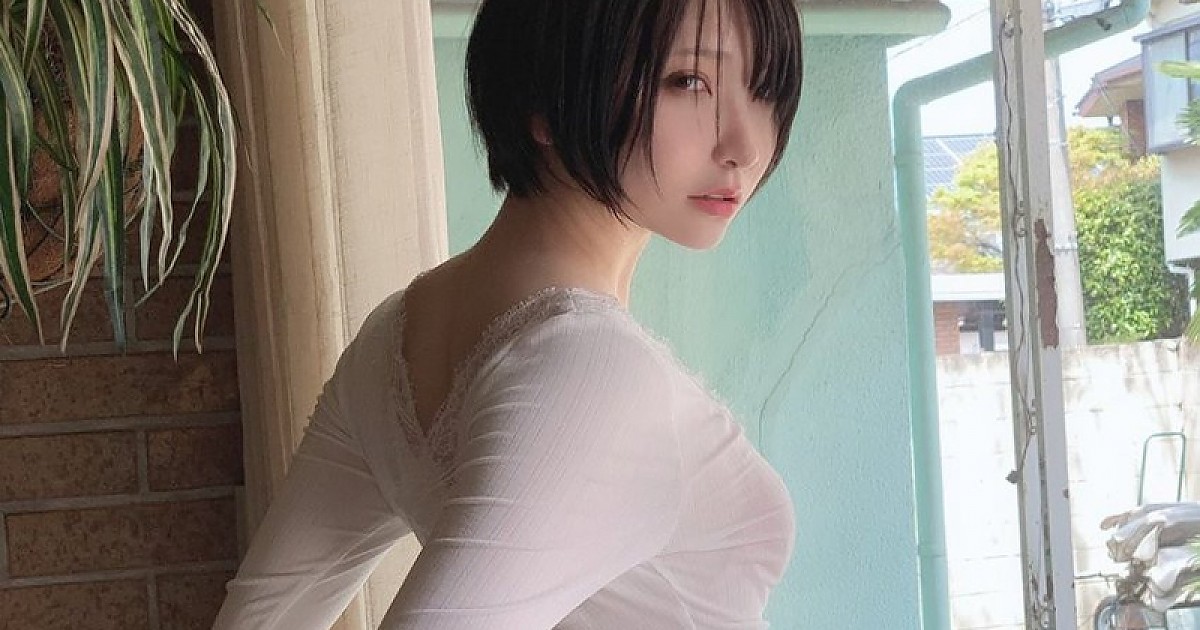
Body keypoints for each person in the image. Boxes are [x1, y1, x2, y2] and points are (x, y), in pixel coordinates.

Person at [212, 0, 803, 627]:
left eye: (764, 87)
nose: (745, 145)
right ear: (543, 97)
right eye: (688, 82)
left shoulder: (394, 340)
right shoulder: (590, 373)